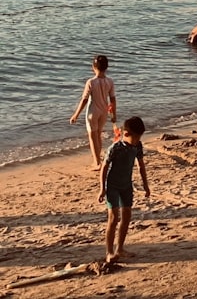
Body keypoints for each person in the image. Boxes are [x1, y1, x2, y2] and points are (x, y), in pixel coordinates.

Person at [98, 116, 150, 264]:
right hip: (113, 186)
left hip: (127, 185)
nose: (137, 141)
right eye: (135, 137)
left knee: (126, 216)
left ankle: (119, 248)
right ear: (126, 134)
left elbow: (141, 165)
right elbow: (104, 168)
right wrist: (102, 189)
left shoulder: (137, 146)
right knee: (113, 218)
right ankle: (109, 252)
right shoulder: (115, 148)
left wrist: (146, 185)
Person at [71, 55, 118, 170]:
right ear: (107, 67)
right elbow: (112, 99)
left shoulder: (91, 82)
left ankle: (96, 162)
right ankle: (99, 158)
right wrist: (114, 114)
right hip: (104, 111)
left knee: (92, 137)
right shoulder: (109, 81)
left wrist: (76, 114)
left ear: (93, 67)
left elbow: (85, 99)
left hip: (93, 111)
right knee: (98, 135)